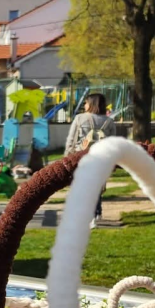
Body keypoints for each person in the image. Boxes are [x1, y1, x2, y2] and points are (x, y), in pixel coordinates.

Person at [65, 92, 116, 226]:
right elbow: (113, 143)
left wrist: (67, 156)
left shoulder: (79, 118)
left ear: (92, 104)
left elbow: (71, 139)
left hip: (81, 156)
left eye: (86, 102)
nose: (85, 105)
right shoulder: (109, 122)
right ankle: (96, 213)